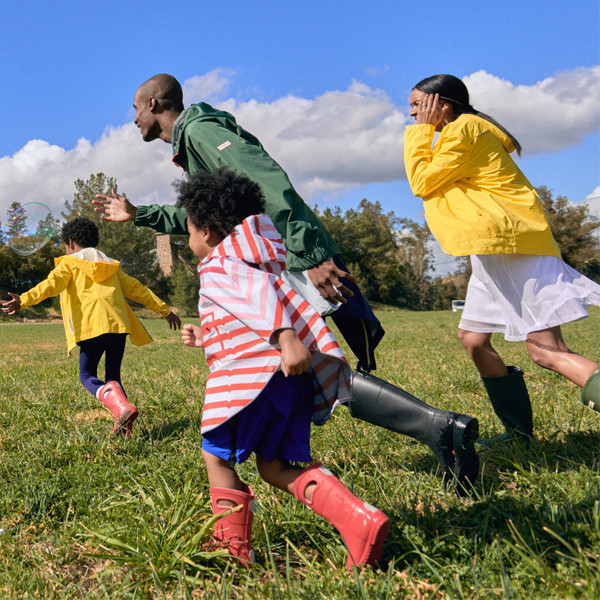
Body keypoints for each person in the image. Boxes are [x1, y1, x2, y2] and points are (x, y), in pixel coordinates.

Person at [92, 73, 480, 493]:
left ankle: (441, 429)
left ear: (152, 105)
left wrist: (310, 255)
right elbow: (205, 213)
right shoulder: (191, 142)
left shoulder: (200, 130)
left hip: (286, 254)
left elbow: (266, 180)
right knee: (317, 364)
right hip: (277, 253)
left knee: (318, 363)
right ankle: (442, 430)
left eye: (134, 109)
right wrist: (140, 214)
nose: (132, 120)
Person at [177, 166, 390, 568]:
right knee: (273, 466)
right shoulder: (264, 258)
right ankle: (357, 520)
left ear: (206, 230)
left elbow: (254, 296)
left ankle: (232, 546)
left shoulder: (220, 264)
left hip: (255, 377)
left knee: (216, 455)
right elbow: (253, 307)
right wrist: (209, 338)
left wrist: (284, 336)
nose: (189, 240)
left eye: (188, 231)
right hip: (290, 378)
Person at [404, 74, 600, 442]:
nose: (413, 113)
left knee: (546, 351)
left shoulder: (463, 130)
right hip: (493, 249)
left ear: (442, 104)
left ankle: (520, 433)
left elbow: (421, 182)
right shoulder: (455, 133)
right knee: (473, 340)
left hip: (511, 247)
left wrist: (419, 133)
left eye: (418, 104)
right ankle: (519, 435)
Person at [2, 217, 181, 438]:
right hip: (118, 325)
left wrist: (24, 299)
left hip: (91, 326)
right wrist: (165, 310)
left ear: (70, 242)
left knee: (87, 375)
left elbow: (51, 285)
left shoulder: (68, 263)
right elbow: (138, 289)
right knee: (113, 376)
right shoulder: (110, 265)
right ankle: (124, 427)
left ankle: (120, 410)